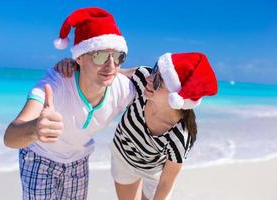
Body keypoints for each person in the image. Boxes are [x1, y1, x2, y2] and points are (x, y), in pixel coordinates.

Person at [3, 7, 135, 200]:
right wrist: (35, 129)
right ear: (79, 58)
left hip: (78, 161)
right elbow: (10, 137)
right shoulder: (55, 84)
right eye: (99, 55)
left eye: (117, 56)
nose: (110, 65)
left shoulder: (123, 88)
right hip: (40, 158)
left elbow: (157, 78)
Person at [57, 52, 218, 200]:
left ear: (176, 99)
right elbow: (106, 74)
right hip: (123, 157)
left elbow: (166, 182)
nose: (150, 78)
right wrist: (76, 65)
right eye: (155, 69)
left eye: (158, 81)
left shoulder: (179, 136)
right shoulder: (142, 78)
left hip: (154, 173)